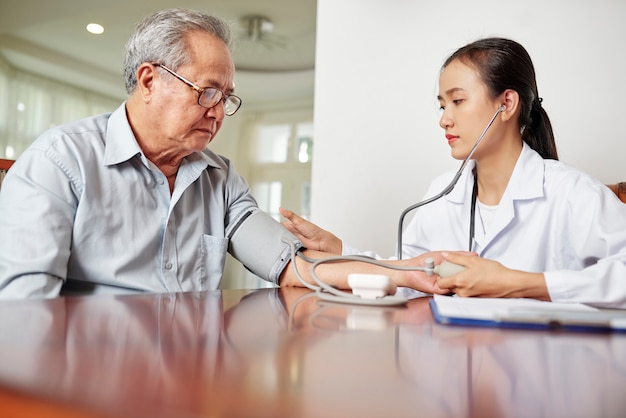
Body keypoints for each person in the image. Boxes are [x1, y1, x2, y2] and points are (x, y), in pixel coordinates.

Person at [0, 8, 448, 299]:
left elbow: (293, 265)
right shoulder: (61, 162)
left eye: (227, 97)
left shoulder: (220, 177)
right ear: (149, 81)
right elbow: (23, 310)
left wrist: (405, 273)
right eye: (206, 92)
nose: (219, 112)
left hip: (194, 374)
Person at [281, 37, 626, 308]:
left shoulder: (571, 192)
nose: (444, 118)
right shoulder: (444, 192)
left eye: (457, 101)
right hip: (459, 373)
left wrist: (516, 282)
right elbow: (409, 273)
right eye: (442, 104)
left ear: (506, 104)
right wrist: (338, 248)